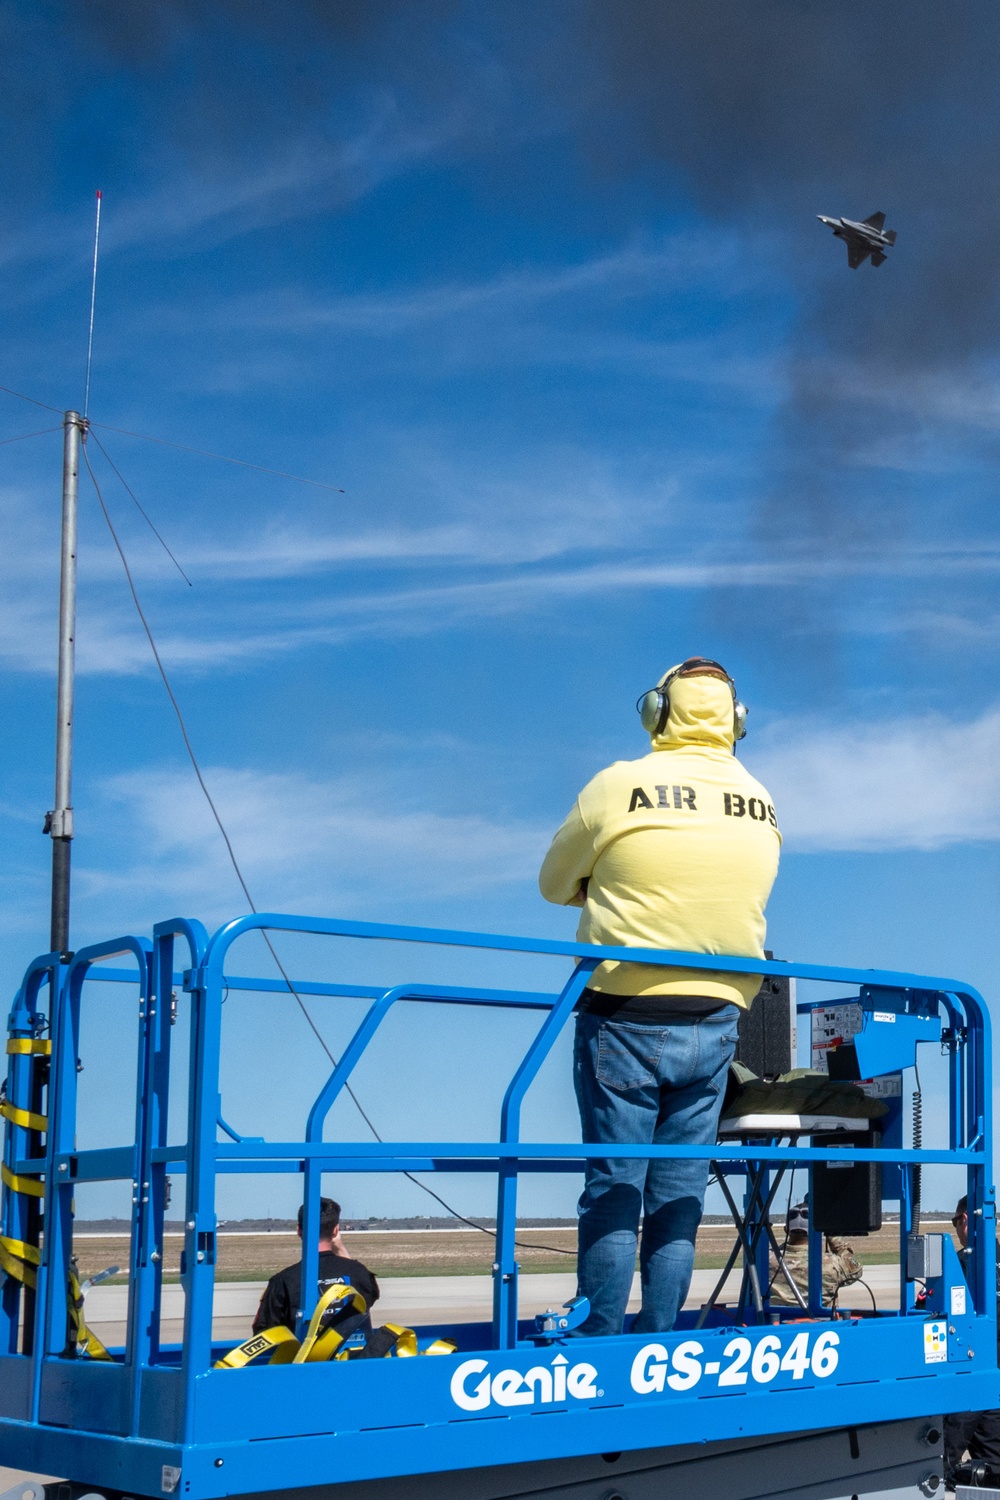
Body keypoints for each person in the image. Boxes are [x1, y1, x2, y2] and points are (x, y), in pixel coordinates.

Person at [539, 657, 781, 1335]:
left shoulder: (618, 786)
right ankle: (662, 1337)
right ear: (734, 722)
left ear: (657, 712)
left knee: (616, 1191)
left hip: (624, 1013)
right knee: (678, 1198)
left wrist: (603, 888)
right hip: (717, 1020)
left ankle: (600, 1342)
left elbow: (554, 885)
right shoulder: (760, 801)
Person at [253, 1197, 379, 1335]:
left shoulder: (283, 1281)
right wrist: (340, 1247)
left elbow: (264, 1333)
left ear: (299, 1231)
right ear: (336, 1231)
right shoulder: (359, 1272)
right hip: (355, 1355)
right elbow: (369, 1297)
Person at [943, 1195, 1000, 1480]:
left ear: (965, 1220)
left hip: (972, 1367)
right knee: (994, 1461)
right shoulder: (996, 1255)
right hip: (995, 1374)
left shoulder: (965, 1263)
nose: (955, 1228)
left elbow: (945, 1308)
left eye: (955, 1221)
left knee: (943, 1456)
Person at [768, 1200, 863, 1308]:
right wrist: (833, 1235)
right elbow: (856, 1270)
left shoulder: (767, 1260)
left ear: (786, 1230)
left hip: (778, 1321)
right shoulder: (831, 1263)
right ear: (815, 1230)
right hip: (822, 1321)